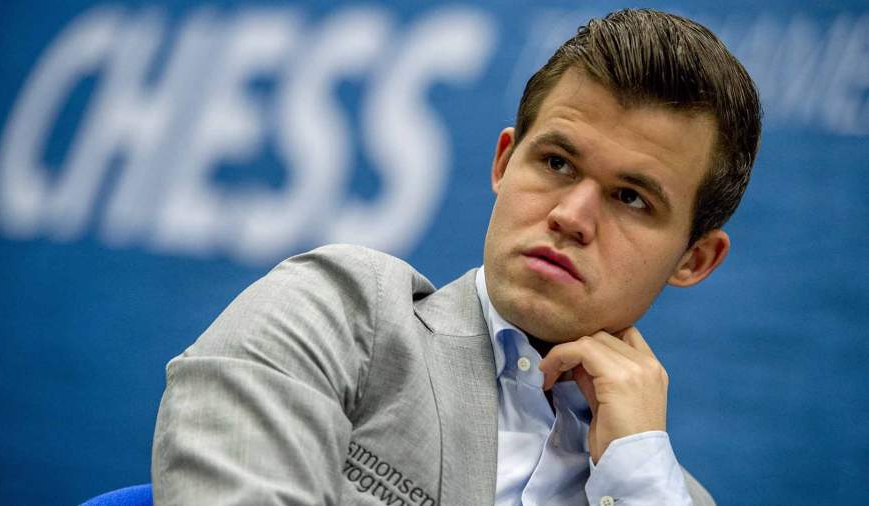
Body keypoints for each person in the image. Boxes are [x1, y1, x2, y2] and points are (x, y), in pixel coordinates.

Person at [152, 8, 761, 506]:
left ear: (694, 259)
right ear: (504, 163)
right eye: (556, 163)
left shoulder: (667, 493)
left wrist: (640, 481)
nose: (571, 216)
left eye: (631, 198)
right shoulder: (339, 312)